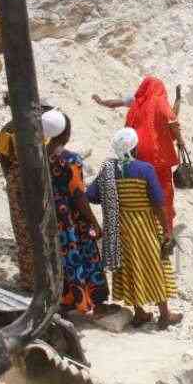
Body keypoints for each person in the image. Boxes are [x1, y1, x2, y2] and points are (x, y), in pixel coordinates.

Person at [87, 128, 183, 330]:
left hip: (120, 228)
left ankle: (140, 313)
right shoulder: (145, 169)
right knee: (155, 265)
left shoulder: (108, 170)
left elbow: (92, 195)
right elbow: (158, 202)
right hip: (144, 225)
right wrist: (167, 231)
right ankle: (164, 315)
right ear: (135, 147)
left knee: (130, 267)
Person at [42, 109, 108, 314]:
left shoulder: (39, 155)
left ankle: (65, 299)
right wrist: (95, 223)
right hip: (71, 218)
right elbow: (79, 195)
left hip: (49, 214)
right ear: (66, 133)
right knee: (79, 255)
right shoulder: (70, 159)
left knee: (58, 256)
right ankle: (85, 300)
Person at [0, 95, 54, 291]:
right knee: (44, 228)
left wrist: (14, 180)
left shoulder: (6, 130)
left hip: (16, 181)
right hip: (38, 180)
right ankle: (49, 278)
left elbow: (4, 161)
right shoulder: (38, 129)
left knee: (24, 231)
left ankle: (31, 281)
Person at [119, 77, 186, 233]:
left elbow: (127, 129)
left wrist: (178, 101)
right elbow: (171, 120)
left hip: (137, 154)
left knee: (145, 192)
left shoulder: (136, 105)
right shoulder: (158, 99)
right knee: (164, 191)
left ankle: (147, 229)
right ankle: (165, 230)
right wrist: (181, 141)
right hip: (157, 155)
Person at [93, 84, 182, 118]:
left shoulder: (136, 98)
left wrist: (101, 102)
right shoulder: (160, 104)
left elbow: (114, 103)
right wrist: (178, 98)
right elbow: (173, 116)